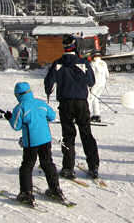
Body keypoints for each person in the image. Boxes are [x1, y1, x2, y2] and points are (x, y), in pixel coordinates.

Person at [3, 81, 67, 206]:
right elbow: (52, 116)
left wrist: (9, 117)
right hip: (46, 139)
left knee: (27, 166)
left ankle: (26, 193)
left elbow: (16, 126)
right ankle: (55, 189)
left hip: (31, 142)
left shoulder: (20, 107)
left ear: (17, 95)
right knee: (47, 163)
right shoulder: (40, 103)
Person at [44, 35, 99, 179]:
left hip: (65, 102)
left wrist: (49, 91)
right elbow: (91, 81)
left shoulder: (58, 63)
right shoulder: (82, 62)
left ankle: (68, 167)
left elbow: (49, 83)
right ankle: (93, 166)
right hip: (81, 102)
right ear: (75, 47)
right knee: (86, 134)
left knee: (68, 135)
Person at [87, 51, 109, 123]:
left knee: (89, 99)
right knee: (96, 99)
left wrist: (89, 84)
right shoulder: (103, 63)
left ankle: (87, 115)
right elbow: (107, 75)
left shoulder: (92, 64)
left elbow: (91, 75)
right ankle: (96, 115)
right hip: (102, 84)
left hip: (95, 84)